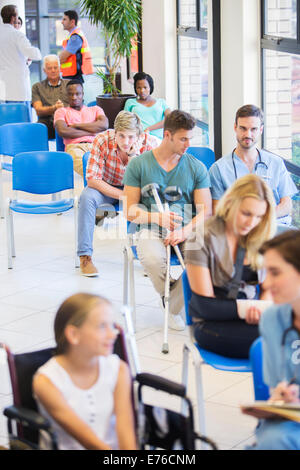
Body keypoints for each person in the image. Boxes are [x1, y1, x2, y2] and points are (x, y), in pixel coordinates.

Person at [123, 109, 212, 331]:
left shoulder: (195, 167)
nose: (188, 144)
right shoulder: (138, 165)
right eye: (183, 139)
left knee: (203, 258)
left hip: (188, 229)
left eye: (190, 138)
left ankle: (170, 303)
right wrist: (158, 218)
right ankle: (175, 299)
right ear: (167, 136)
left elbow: (206, 211)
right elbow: (129, 210)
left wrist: (185, 231)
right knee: (152, 260)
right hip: (151, 228)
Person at [185, 174, 277, 358]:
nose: (251, 223)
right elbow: (206, 307)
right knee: (284, 341)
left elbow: (268, 289)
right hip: (211, 324)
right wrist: (249, 310)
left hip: (251, 318)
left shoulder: (260, 236)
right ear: (230, 204)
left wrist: (261, 310)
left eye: (259, 216)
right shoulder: (201, 237)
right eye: (246, 213)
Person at [33, 293, 137, 450]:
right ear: (74, 334)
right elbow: (88, 441)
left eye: (112, 326)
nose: (112, 334)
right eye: (102, 326)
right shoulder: (47, 381)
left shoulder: (119, 369)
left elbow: (126, 432)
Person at [78, 110, 160, 277]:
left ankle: (150, 257)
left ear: (138, 135)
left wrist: (133, 157)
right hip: (107, 187)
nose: (125, 141)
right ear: (114, 132)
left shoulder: (150, 144)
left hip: (138, 189)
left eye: (130, 137)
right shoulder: (102, 140)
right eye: (121, 136)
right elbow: (93, 179)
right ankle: (85, 257)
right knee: (87, 197)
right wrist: (124, 196)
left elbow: (150, 183)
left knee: (153, 201)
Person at [243, 230, 300, 450]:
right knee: (273, 439)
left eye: (275, 273)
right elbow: (277, 387)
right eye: (266, 273)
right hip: (289, 424)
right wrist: (281, 396)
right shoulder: (273, 320)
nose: (266, 285)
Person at [209, 104, 297, 226]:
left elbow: (286, 205)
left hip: (274, 227)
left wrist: (261, 217)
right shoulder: (219, 169)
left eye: (253, 129)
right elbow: (217, 210)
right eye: (243, 128)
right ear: (235, 127)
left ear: (261, 130)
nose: (248, 135)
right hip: (239, 229)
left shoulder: (275, 163)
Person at [54, 79, 108, 176]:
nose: (74, 97)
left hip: (96, 145)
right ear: (67, 95)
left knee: (111, 164)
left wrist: (76, 126)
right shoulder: (61, 111)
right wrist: (92, 131)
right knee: (89, 170)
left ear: (82, 94)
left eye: (77, 94)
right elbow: (63, 131)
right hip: (74, 147)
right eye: (71, 94)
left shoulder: (95, 109)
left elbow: (104, 125)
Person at [0, 4, 41, 115]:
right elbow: (33, 53)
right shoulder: (17, 35)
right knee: (20, 118)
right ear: (13, 18)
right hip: (16, 87)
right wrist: (37, 52)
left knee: (5, 120)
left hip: (3, 86)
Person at [124, 72, 171, 140]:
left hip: (157, 141)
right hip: (138, 139)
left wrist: (149, 129)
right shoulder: (130, 102)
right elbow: (125, 122)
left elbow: (170, 119)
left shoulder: (161, 102)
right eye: (138, 88)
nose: (142, 91)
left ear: (150, 87)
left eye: (145, 87)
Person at [32, 55, 69, 139]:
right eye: (49, 68)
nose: (53, 70)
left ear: (60, 68)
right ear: (44, 70)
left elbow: (78, 106)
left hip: (68, 120)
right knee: (37, 129)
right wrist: (54, 108)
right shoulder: (37, 87)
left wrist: (62, 110)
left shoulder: (69, 84)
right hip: (46, 122)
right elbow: (38, 110)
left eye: (55, 68)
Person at [59, 10, 93, 83]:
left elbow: (63, 57)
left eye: (64, 19)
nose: (62, 22)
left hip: (73, 76)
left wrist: (55, 61)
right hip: (70, 75)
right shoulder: (72, 35)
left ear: (72, 22)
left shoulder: (75, 37)